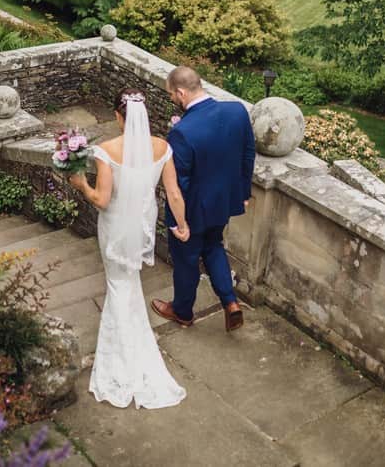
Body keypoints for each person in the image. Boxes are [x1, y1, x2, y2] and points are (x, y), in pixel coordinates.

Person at [68, 87, 189, 409]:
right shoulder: (163, 147)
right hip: (142, 223)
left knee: (117, 283)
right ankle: (136, 337)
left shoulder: (106, 151)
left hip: (116, 226)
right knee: (129, 279)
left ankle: (122, 356)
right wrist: (182, 225)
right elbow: (174, 194)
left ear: (120, 117)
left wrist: (80, 184)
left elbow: (102, 201)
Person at [151, 66, 255, 333]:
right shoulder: (237, 111)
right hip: (224, 204)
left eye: (172, 95)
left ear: (181, 92)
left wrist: (178, 222)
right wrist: (243, 194)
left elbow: (179, 185)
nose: (172, 99)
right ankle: (230, 302)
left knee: (186, 261)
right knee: (213, 246)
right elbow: (247, 155)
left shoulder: (182, 132)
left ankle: (183, 311)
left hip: (193, 210)